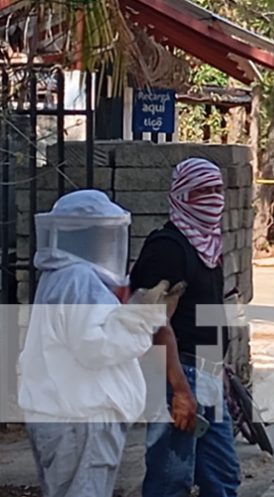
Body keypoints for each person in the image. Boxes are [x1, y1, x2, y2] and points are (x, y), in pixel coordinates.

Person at [18, 189, 180, 497]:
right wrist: (144, 320)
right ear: (91, 235)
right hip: (83, 419)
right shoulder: (79, 279)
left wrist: (133, 311)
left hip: (66, 415)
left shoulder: (59, 276)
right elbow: (98, 347)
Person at [129, 157, 241, 497]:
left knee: (222, 476)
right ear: (182, 196)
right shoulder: (169, 248)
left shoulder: (209, 248)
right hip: (179, 375)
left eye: (218, 190)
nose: (214, 198)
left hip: (207, 373)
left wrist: (219, 370)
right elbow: (154, 324)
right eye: (203, 191)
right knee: (171, 477)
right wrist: (179, 389)